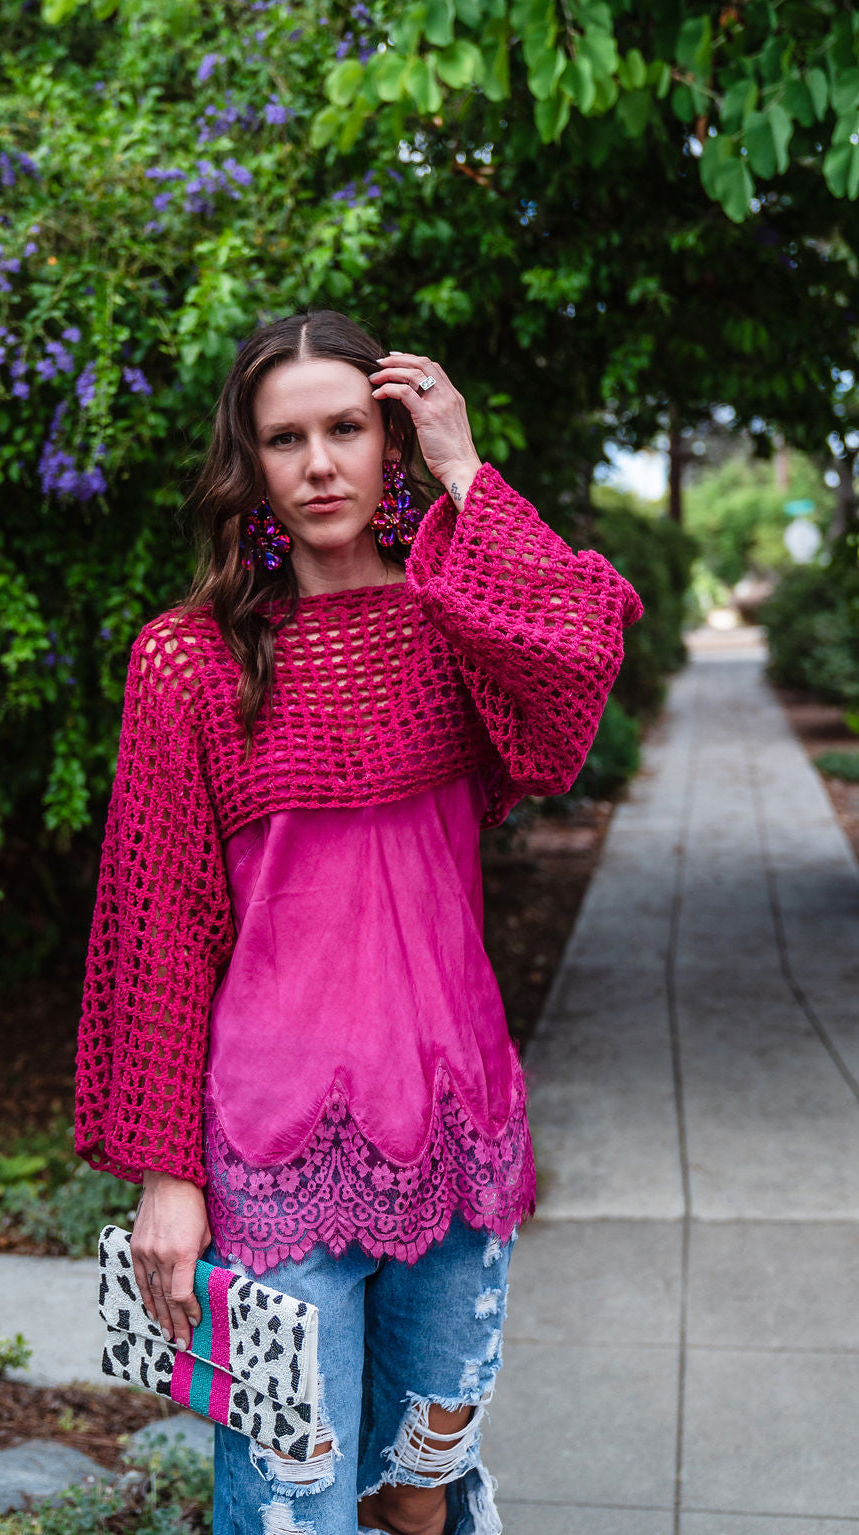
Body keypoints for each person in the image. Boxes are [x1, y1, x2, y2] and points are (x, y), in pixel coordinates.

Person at [75, 310, 642, 1535]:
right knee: (293, 1502)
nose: (321, 462)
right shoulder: (191, 661)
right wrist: (168, 1178)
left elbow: (579, 650)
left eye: (348, 428)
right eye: (287, 438)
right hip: (268, 1147)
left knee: (419, 1492)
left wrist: (467, 473)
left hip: (457, 1125)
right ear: (252, 466)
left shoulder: (455, 620)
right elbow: (161, 928)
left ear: (388, 440)